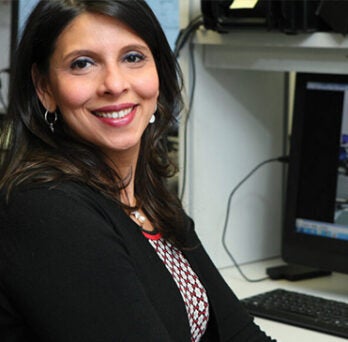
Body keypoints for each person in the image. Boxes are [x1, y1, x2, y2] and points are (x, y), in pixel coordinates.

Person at [0, 1, 276, 341]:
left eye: (133, 57)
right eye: (82, 63)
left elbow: (239, 335)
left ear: (158, 71)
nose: (114, 85)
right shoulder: (46, 208)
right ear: (45, 88)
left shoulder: (146, 197)